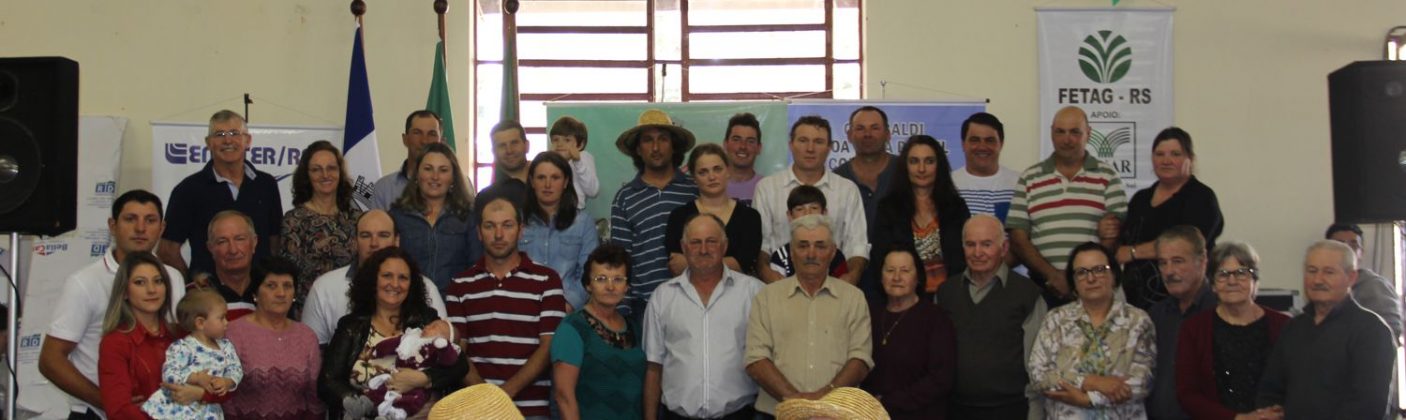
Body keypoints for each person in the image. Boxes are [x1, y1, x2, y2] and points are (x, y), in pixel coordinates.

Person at [42, 190, 188, 419]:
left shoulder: (173, 277)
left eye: (150, 220)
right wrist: (108, 400)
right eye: (130, 219)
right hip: (95, 412)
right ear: (112, 225)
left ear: (162, 228)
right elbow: (50, 360)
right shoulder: (84, 282)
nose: (140, 228)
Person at [446, 197, 567, 419]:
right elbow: (456, 350)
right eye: (490, 226)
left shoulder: (547, 281)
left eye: (507, 225)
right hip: (476, 410)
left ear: (521, 230)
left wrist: (503, 395)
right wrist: (487, 398)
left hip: (531, 410)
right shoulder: (460, 285)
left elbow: (549, 346)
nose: (499, 234)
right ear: (479, 233)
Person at [744, 215, 872, 417]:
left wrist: (825, 399)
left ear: (832, 252)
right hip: (776, 414)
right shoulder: (766, 297)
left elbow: (861, 359)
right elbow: (756, 359)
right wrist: (796, 402)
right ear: (791, 252)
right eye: (803, 246)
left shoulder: (853, 298)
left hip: (836, 415)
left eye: (820, 246)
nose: (811, 254)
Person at [318, 247, 468, 419]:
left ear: (411, 284)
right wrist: (373, 407)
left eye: (403, 277)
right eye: (387, 275)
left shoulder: (426, 320)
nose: (395, 284)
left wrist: (424, 378)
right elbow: (327, 382)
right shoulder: (351, 326)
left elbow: (459, 365)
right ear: (373, 280)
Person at [1256, 240, 1396, 419]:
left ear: (1351, 278)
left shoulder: (1372, 330)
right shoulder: (1293, 327)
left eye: (1329, 272)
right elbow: (1270, 389)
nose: (1317, 280)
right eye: (1312, 271)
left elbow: (1368, 406)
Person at [644, 214, 765, 420]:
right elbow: (654, 367)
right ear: (683, 247)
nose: (703, 250)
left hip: (739, 414)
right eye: (695, 242)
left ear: (724, 246)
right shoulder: (662, 297)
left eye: (711, 241)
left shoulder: (753, 293)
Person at [1008, 106, 1128, 306]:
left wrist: (1084, 276)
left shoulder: (1108, 176)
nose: (1067, 139)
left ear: (1088, 134)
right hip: (1043, 289)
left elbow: (1114, 235)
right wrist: (1053, 275)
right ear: (1051, 134)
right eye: (1060, 132)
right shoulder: (1029, 178)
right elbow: (1018, 238)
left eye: (1075, 132)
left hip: (1094, 289)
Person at [937, 215, 1047, 420]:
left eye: (986, 244)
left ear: (1004, 248)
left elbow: (1037, 367)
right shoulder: (945, 294)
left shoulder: (1028, 294)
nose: (977, 252)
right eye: (971, 244)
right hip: (955, 410)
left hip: (1012, 410)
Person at [1028, 242, 1154, 419]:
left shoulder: (1138, 320)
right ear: (1073, 282)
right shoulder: (1055, 320)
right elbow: (1038, 375)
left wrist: (1089, 399)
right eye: (1081, 272)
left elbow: (1143, 381)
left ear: (1114, 275)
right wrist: (1088, 381)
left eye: (1099, 269)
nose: (1091, 278)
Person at [160, 109, 283, 277]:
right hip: (209, 291)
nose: (227, 140)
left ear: (248, 140)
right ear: (208, 142)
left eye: (234, 133)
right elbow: (167, 251)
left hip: (258, 290)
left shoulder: (266, 184)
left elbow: (275, 244)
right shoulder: (188, 190)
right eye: (219, 134)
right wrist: (192, 285)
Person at [1175, 242, 1289, 420]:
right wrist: (1239, 418)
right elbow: (1187, 393)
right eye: (1223, 274)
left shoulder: (1284, 326)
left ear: (1255, 281)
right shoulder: (1193, 329)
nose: (1232, 281)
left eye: (1241, 273)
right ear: (1213, 285)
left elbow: (1298, 383)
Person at [302, 210, 449, 345]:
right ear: (355, 242)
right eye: (366, 235)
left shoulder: (426, 287)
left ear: (397, 241)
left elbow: (445, 343)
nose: (374, 243)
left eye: (383, 235)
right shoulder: (324, 287)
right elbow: (312, 352)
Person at [1116, 127, 1224, 310]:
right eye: (1159, 154)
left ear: (1190, 159)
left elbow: (1185, 246)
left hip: (1189, 303)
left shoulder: (1201, 197)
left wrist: (1133, 252)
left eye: (1175, 154)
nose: (1166, 160)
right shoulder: (1140, 199)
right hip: (1139, 304)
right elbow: (1122, 245)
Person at [754, 116, 868, 285]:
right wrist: (767, 274)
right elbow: (761, 244)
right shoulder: (767, 188)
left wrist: (850, 278)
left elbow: (857, 245)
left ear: (829, 147)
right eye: (803, 140)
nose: (810, 149)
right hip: (780, 285)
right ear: (791, 145)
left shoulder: (847, 190)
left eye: (818, 142)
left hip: (834, 286)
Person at [610, 109, 699, 318]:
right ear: (638, 149)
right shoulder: (625, 197)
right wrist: (623, 312)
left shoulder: (694, 190)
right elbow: (621, 259)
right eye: (648, 140)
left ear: (673, 146)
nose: (656, 147)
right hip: (643, 306)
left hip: (693, 299)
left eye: (663, 139)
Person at [98, 253, 205, 419]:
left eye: (158, 281)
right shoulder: (115, 342)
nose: (151, 290)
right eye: (140, 282)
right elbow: (119, 411)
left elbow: (223, 384)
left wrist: (200, 393)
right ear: (124, 292)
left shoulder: (182, 334)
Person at [860, 245, 956, 419]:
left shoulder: (936, 318)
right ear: (881, 277)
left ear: (917, 277)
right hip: (871, 414)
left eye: (905, 271)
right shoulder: (869, 314)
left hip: (921, 414)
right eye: (890, 270)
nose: (896, 277)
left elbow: (941, 378)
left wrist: (889, 402)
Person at [552, 244, 647, 420]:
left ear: (627, 286)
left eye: (618, 279)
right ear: (588, 284)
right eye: (601, 279)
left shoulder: (635, 328)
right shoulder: (572, 328)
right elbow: (563, 396)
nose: (610, 286)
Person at [869, 134, 970, 297]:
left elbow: (966, 257)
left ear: (939, 166)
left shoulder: (956, 207)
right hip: (903, 298)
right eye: (914, 161)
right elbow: (880, 258)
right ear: (905, 166)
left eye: (929, 161)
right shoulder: (889, 208)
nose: (921, 169)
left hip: (952, 297)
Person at [224, 256, 324, 420]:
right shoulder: (233, 333)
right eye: (271, 286)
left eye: (287, 286)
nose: (281, 293)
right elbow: (225, 398)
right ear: (255, 293)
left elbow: (314, 398)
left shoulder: (306, 336)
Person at [280, 140, 360, 316]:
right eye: (316, 169)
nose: (325, 175)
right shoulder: (294, 220)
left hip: (351, 310)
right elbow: (289, 274)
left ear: (340, 172)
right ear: (306, 175)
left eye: (331, 168)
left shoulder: (356, 219)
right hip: (309, 310)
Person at [1145, 226, 1218, 420]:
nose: (1169, 271)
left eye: (1178, 261)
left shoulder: (1221, 312)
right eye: (1163, 263)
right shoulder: (1156, 315)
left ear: (1202, 260)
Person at [390, 142, 481, 292]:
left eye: (443, 170)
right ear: (417, 174)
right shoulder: (398, 215)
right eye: (428, 169)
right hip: (410, 300)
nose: (435, 177)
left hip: (455, 301)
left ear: (453, 177)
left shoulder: (468, 216)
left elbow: (476, 266)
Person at [665, 143, 763, 276]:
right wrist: (727, 263)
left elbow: (743, 263)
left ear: (728, 171)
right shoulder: (679, 216)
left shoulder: (750, 217)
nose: (711, 177)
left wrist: (690, 263)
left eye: (717, 169)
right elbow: (676, 265)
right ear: (694, 178)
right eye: (703, 172)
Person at [141, 290, 242, 419]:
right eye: (221, 318)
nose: (226, 322)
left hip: (209, 412)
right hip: (179, 409)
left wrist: (227, 382)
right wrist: (196, 378)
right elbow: (169, 374)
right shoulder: (182, 347)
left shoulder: (226, 346)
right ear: (200, 323)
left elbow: (235, 368)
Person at [520, 152, 599, 311]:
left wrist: (568, 305)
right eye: (541, 177)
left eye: (555, 177)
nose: (547, 184)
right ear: (532, 182)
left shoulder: (583, 222)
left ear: (566, 182)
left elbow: (590, 271)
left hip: (567, 310)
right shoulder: (516, 221)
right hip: (523, 307)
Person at [1325, 223, 1403, 339]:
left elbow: (1389, 332)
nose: (1348, 251)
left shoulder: (1375, 286)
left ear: (1361, 252)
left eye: (1353, 245)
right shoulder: (1320, 285)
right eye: (1340, 245)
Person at [759, 186, 851, 283]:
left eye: (814, 208)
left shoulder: (835, 255)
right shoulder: (780, 257)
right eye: (799, 209)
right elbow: (778, 290)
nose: (807, 213)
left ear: (824, 213)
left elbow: (842, 288)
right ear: (790, 215)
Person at [834, 106, 898, 243]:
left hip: (901, 256)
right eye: (860, 128)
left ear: (888, 134)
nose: (867, 134)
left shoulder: (905, 171)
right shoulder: (837, 179)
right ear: (849, 135)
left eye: (875, 128)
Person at [371, 110, 457, 210]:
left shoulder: (459, 187)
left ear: (442, 141)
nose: (424, 141)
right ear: (405, 139)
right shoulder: (384, 188)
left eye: (432, 134)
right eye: (417, 133)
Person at [951, 112, 1020, 223]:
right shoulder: (949, 185)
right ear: (963, 144)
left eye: (990, 140)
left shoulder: (1019, 184)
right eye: (975, 140)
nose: (982, 147)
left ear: (1001, 144)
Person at [202, 210, 264, 320]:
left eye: (239, 239)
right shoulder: (196, 295)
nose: (233, 250)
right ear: (210, 248)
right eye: (222, 241)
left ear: (254, 242)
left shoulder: (270, 292)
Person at [548, 116, 600, 210]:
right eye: (555, 140)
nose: (560, 144)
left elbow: (593, 191)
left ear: (580, 145)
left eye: (567, 140)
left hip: (575, 212)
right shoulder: (549, 162)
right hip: (552, 211)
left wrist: (578, 162)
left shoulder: (583, 157)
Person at [479, 119, 531, 208]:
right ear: (493, 152)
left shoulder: (547, 184)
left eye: (514, 143)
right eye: (502, 145)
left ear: (526, 146)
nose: (509, 151)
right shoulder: (486, 198)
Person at [723, 112, 764, 207]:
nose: (743, 146)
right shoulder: (711, 185)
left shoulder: (767, 187)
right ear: (725, 144)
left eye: (750, 141)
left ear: (759, 148)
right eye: (736, 139)